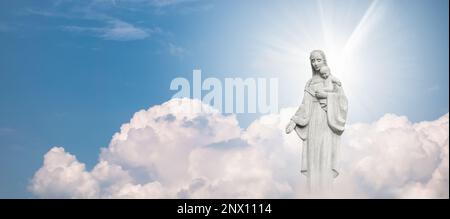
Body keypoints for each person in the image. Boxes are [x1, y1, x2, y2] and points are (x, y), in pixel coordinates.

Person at [285, 50, 348, 194]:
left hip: (327, 121)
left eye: (318, 60)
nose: (315, 63)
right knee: (313, 156)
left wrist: (327, 96)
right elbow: (304, 105)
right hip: (313, 122)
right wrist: (294, 121)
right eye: (313, 61)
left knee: (325, 154)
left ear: (324, 60)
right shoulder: (310, 83)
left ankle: (326, 191)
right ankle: (313, 192)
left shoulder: (333, 80)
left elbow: (343, 101)